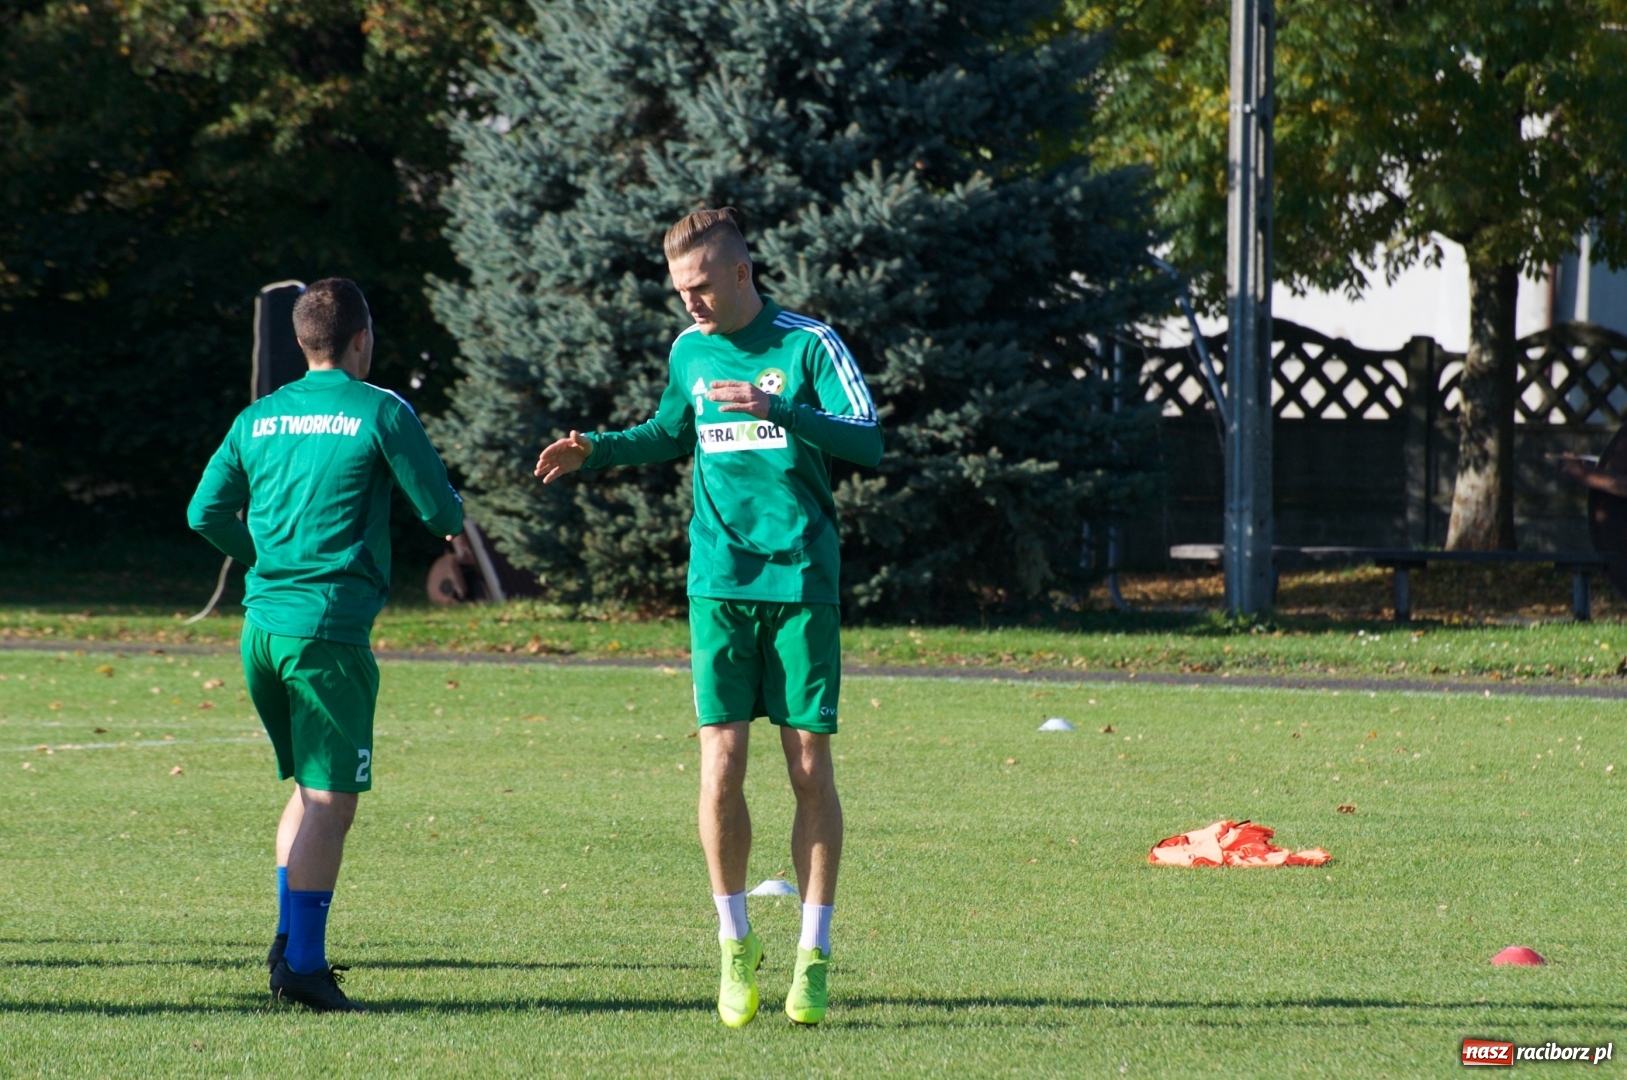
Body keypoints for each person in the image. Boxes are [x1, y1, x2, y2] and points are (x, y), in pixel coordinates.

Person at [534, 208, 883, 1027]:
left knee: (807, 772)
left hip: (799, 583)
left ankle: (813, 956)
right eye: (677, 290)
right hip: (717, 585)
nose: (688, 303)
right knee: (720, 769)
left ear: (740, 274)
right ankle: (734, 946)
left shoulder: (808, 345)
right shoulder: (688, 349)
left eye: (699, 286)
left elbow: (867, 440)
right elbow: (668, 432)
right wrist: (600, 448)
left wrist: (778, 409)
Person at [188, 277, 464, 1012]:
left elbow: (202, 512)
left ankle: (288, 943)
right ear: (361, 339)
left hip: (262, 629)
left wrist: (261, 560)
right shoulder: (380, 409)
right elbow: (438, 507)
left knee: (308, 791)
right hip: (328, 632)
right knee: (331, 801)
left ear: (303, 340)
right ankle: (303, 970)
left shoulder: (259, 417)